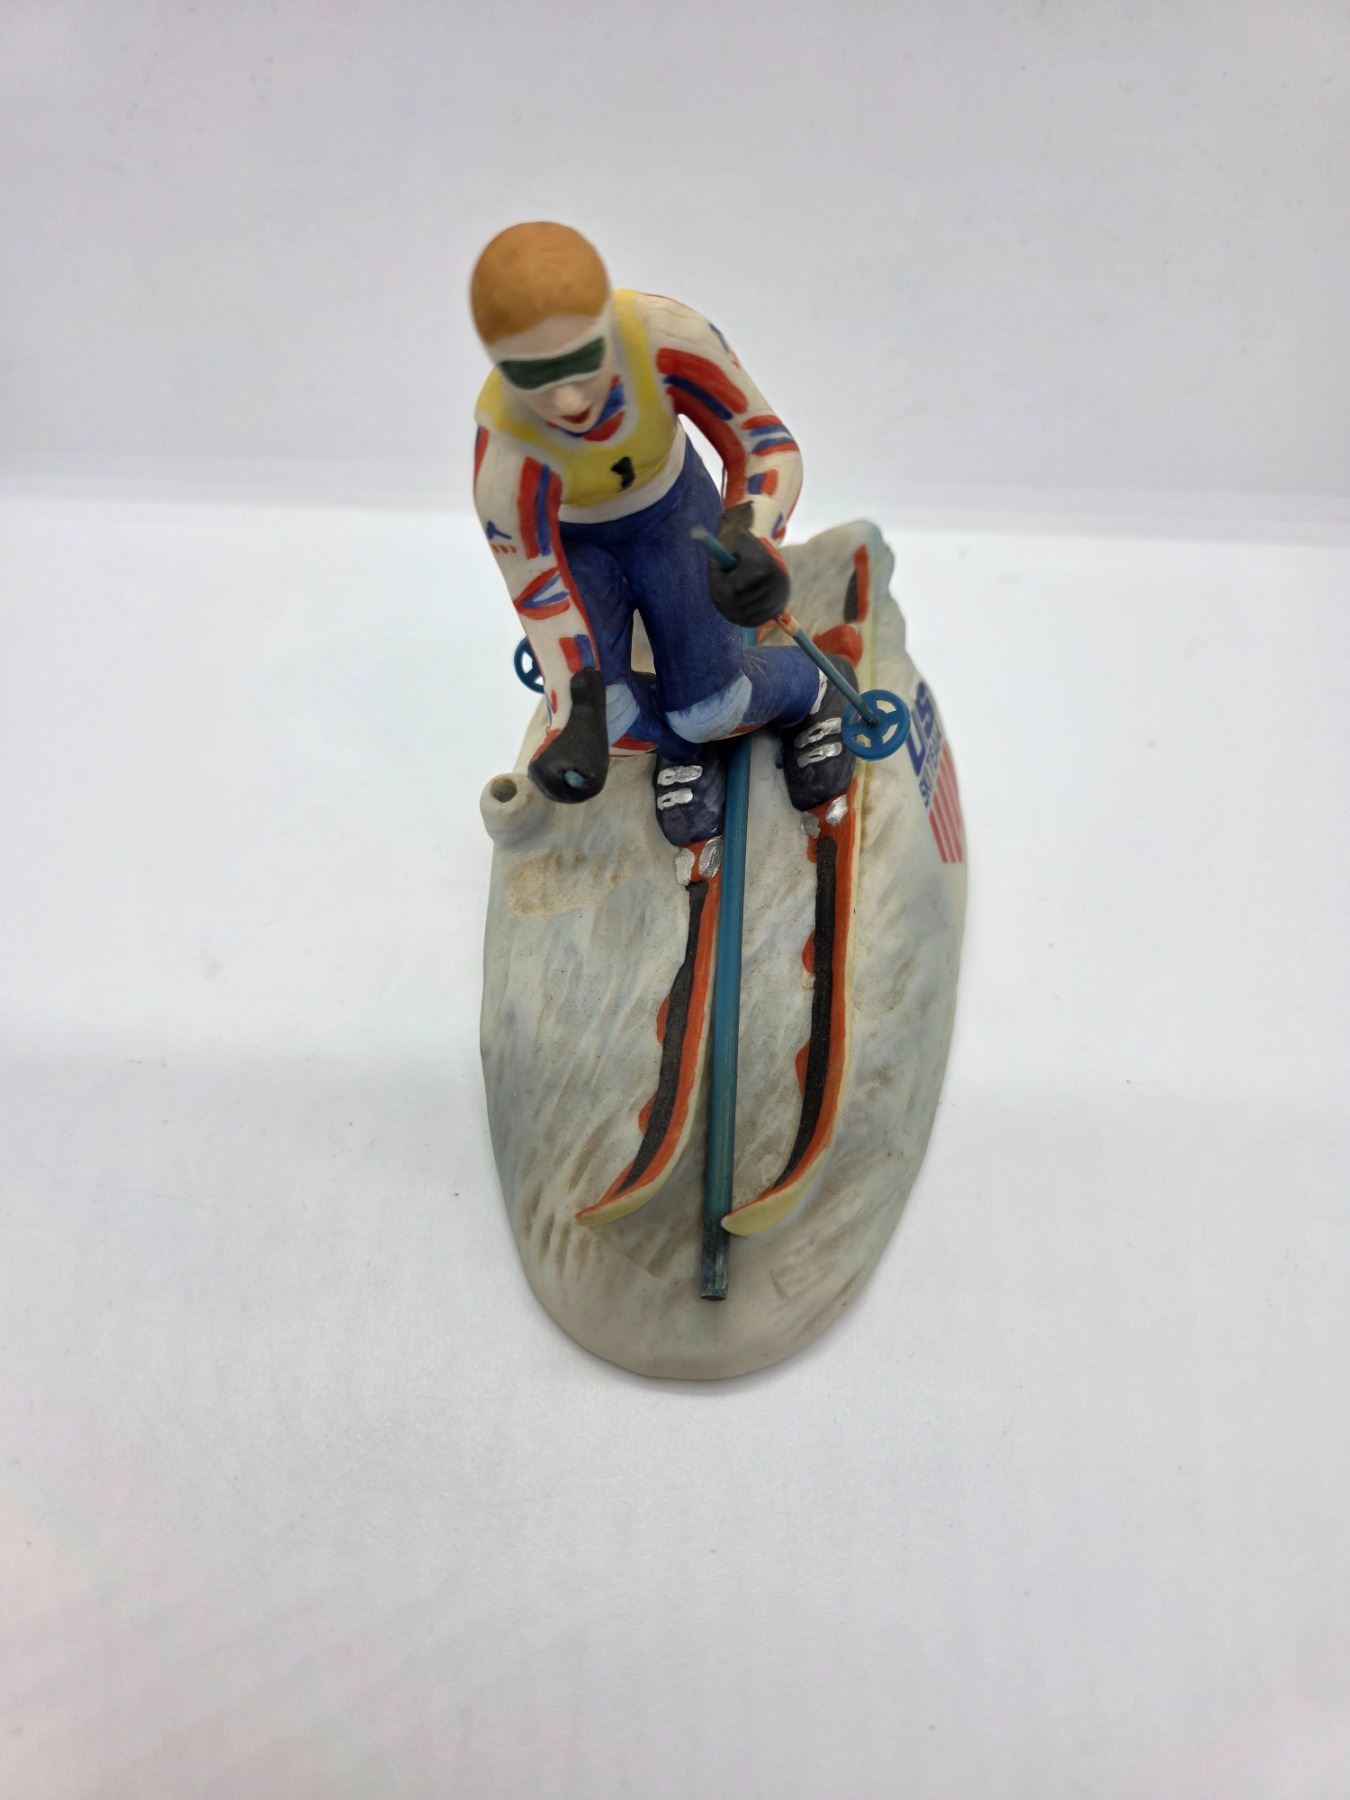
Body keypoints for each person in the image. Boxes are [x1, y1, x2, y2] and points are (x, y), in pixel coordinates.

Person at [470, 221, 854, 844]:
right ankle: (686, 742)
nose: (566, 402)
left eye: (580, 362)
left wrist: (753, 534)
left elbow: (763, 442)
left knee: (710, 709)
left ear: (606, 324)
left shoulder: (665, 337)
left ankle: (810, 689)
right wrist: (575, 708)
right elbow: (536, 584)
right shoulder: (505, 451)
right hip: (581, 546)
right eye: (533, 377)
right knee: (609, 724)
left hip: (674, 516)